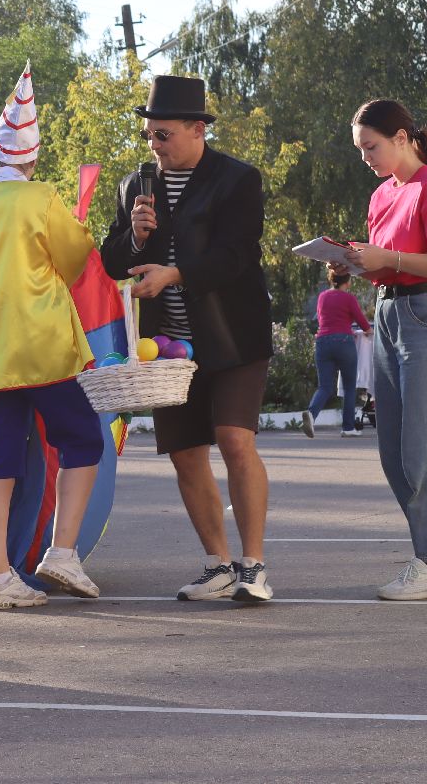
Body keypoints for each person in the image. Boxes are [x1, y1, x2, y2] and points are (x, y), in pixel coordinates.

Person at [100, 75, 277, 604]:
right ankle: (217, 564)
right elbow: (111, 261)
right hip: (167, 349)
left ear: (198, 130)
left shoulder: (238, 180)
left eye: (164, 134)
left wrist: (174, 274)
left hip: (233, 337)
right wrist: (134, 236)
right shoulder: (136, 185)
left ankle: (253, 565)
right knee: (184, 453)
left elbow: (236, 254)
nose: (154, 145)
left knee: (234, 440)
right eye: (150, 135)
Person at [0, 64, 106, 611]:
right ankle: (62, 551)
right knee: (83, 441)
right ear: (32, 157)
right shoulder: (41, 197)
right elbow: (72, 259)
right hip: (44, 349)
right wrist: (81, 224)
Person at [333, 100, 427, 602]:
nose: (365, 157)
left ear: (401, 137)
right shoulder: (381, 196)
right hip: (390, 313)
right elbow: (385, 264)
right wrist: (352, 263)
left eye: (370, 147)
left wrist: (386, 258)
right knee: (394, 450)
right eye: (360, 150)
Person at [303, 271, 373, 439]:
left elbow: (325, 320)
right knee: (349, 387)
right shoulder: (348, 298)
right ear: (347, 281)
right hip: (343, 343)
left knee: (325, 386)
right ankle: (347, 428)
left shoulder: (322, 297)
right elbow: (363, 323)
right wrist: (368, 331)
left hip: (322, 342)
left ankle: (311, 414)